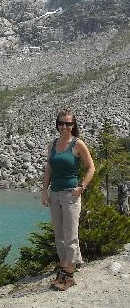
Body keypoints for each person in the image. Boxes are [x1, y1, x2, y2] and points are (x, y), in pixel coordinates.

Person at [42, 108, 95, 291]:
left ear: (74, 125)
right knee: (59, 236)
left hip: (71, 195)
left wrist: (81, 187)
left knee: (71, 236)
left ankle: (70, 275)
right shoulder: (53, 144)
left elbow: (91, 168)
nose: (65, 126)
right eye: (61, 123)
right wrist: (44, 191)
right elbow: (49, 169)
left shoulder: (78, 144)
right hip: (55, 194)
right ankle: (63, 270)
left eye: (68, 123)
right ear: (57, 125)